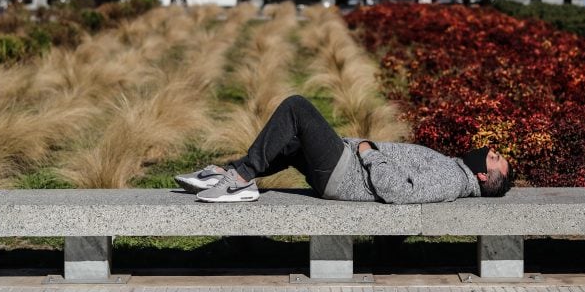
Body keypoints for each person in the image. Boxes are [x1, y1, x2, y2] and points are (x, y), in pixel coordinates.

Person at [175, 95, 512, 204]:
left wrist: (367, 151)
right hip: (346, 167)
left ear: (483, 175)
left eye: (495, 159)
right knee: (292, 144)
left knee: (296, 108)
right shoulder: (453, 168)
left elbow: (399, 192)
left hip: (347, 174)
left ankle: (242, 179)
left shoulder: (451, 180)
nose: (492, 150)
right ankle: (231, 173)